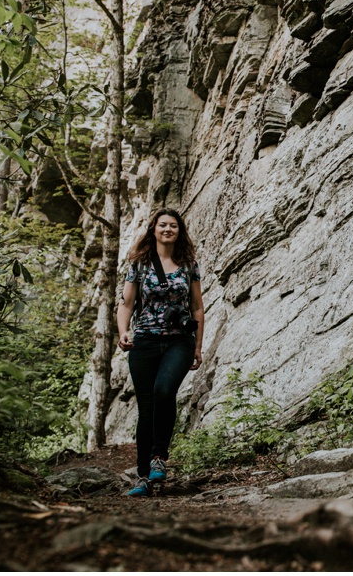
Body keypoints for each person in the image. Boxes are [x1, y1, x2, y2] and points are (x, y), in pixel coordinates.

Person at [117, 208, 205, 497]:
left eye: (174, 226)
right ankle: (143, 477)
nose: (168, 229)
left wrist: (199, 346)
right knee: (146, 408)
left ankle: (159, 458)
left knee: (164, 391)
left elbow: (196, 307)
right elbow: (127, 304)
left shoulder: (188, 264)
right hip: (144, 341)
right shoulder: (139, 264)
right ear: (153, 228)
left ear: (179, 232)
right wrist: (123, 332)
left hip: (179, 341)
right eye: (163, 225)